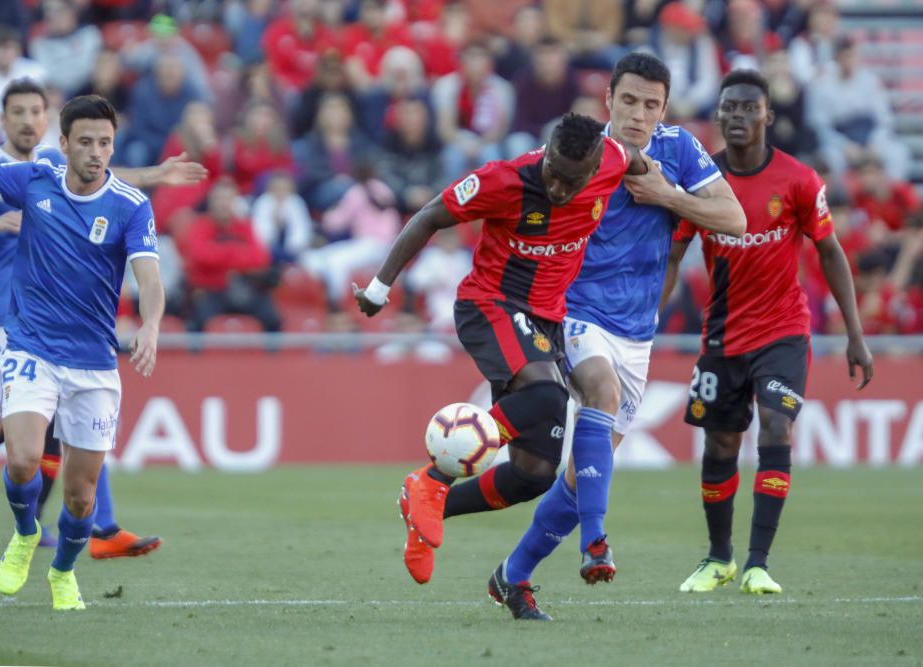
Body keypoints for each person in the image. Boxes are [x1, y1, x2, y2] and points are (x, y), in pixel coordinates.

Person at [353, 112, 649, 620]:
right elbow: (428, 216)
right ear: (546, 152)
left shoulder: (613, 160)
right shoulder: (504, 180)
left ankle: (429, 509)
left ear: (596, 166)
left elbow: (639, 163)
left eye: (570, 179)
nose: (556, 185)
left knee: (535, 472)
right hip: (490, 304)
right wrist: (380, 289)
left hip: (544, 323)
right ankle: (431, 478)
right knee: (548, 397)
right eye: (552, 170)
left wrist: (671, 192)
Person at [490, 51, 746, 618]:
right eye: (628, 100)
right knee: (600, 395)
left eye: (650, 104)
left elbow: (735, 219)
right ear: (608, 99)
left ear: (664, 109)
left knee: (586, 477)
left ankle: (513, 574)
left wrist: (670, 197)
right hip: (575, 313)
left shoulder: (678, 149)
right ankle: (596, 542)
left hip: (638, 332)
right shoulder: (585, 155)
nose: (638, 114)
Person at [0, 79, 202, 562]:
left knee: (64, 450)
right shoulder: (13, 175)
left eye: (35, 110)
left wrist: (151, 323)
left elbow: (145, 269)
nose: (26, 119)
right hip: (9, 328)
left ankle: (88, 533)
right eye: (17, 110)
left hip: (86, 351)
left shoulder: (103, 191)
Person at [663, 70, 873, 595]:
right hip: (722, 335)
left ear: (767, 117)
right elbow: (671, 254)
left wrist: (855, 334)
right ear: (718, 116)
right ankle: (719, 558)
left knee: (776, 428)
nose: (737, 116)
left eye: (747, 108)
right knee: (720, 445)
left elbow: (829, 251)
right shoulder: (700, 180)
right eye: (728, 108)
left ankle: (758, 563)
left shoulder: (799, 180)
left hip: (783, 330)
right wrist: (645, 322)